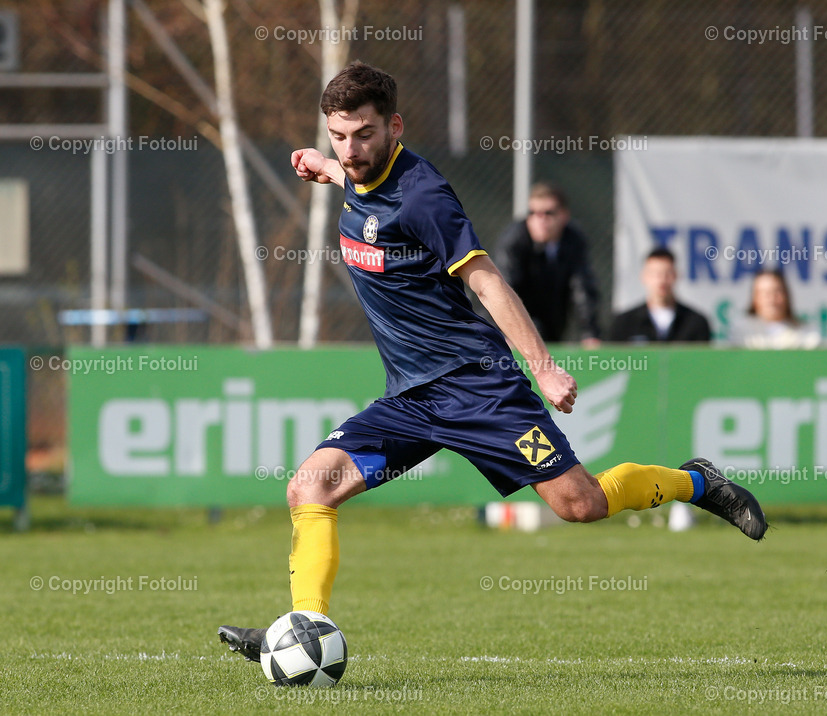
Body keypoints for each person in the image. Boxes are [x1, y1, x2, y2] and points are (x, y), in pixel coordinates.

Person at [218, 62, 766, 661]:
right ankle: (303, 628)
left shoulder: (424, 196)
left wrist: (544, 366)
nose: (350, 149)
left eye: (365, 134)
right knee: (309, 486)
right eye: (339, 136)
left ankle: (695, 482)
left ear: (394, 126)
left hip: (479, 387)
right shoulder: (355, 170)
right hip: (410, 398)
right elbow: (359, 188)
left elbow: (488, 284)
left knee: (580, 504)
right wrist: (322, 166)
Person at [495, 183, 602, 346]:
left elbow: (582, 288)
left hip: (554, 323)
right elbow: (505, 289)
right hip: (514, 323)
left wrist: (590, 333)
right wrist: (506, 332)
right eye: (533, 213)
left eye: (548, 213)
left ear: (564, 215)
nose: (540, 220)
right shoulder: (513, 241)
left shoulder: (574, 240)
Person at [609, 248, 711, 343]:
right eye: (655, 274)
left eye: (667, 274)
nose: (661, 280)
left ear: (676, 275)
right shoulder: (624, 323)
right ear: (644, 277)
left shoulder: (695, 322)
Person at [729, 268, 820, 349]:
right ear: (754, 298)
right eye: (764, 293)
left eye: (776, 292)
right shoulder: (741, 332)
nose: (771, 299)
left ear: (786, 295)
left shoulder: (807, 334)